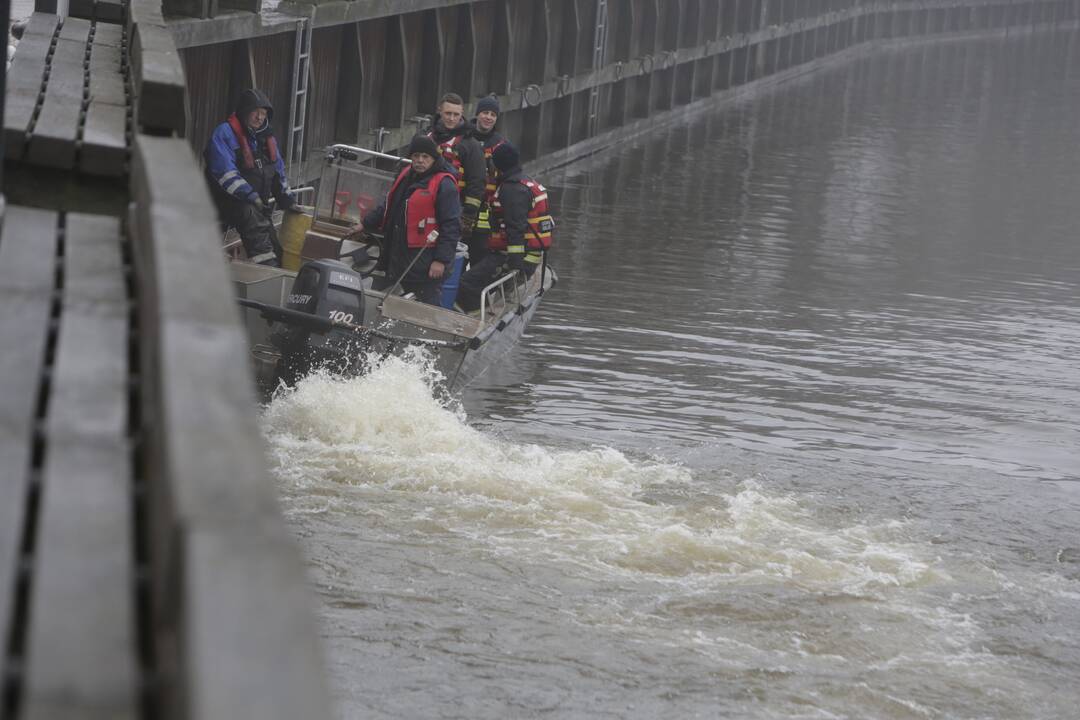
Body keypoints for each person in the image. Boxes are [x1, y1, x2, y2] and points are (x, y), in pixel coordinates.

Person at [356, 135, 461, 306]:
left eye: (425, 157)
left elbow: (451, 226)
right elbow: (389, 205)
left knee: (426, 303)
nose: (420, 160)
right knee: (387, 298)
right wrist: (365, 223)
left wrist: (440, 261)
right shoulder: (406, 175)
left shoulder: (444, 185)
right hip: (398, 255)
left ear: (434, 159)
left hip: (424, 261)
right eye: (416, 156)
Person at [457, 142, 553, 313]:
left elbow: (515, 227)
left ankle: (476, 319)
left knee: (467, 283)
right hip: (529, 254)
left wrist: (515, 262)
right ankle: (484, 311)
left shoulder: (512, 189)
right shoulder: (526, 182)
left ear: (498, 164)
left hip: (514, 256)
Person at [204, 88, 296, 266]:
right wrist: (251, 196)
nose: (259, 117)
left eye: (263, 114)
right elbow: (224, 173)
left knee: (274, 245)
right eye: (255, 112)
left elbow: (278, 173)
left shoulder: (267, 140)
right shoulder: (224, 134)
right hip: (225, 202)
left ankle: (278, 271)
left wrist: (289, 200)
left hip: (257, 204)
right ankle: (267, 269)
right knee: (251, 218)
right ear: (244, 112)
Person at [427, 93, 485, 250]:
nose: (451, 118)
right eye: (448, 113)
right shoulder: (427, 137)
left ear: (462, 114)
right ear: (440, 111)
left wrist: (468, 217)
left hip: (453, 207)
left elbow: (477, 183)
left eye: (456, 114)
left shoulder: (470, 146)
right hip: (424, 202)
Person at [468, 94, 508, 268]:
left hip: (485, 213)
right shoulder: (463, 138)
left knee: (479, 255)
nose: (489, 117)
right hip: (459, 206)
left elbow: (506, 178)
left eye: (493, 114)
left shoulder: (501, 145)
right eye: (485, 112)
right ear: (477, 114)